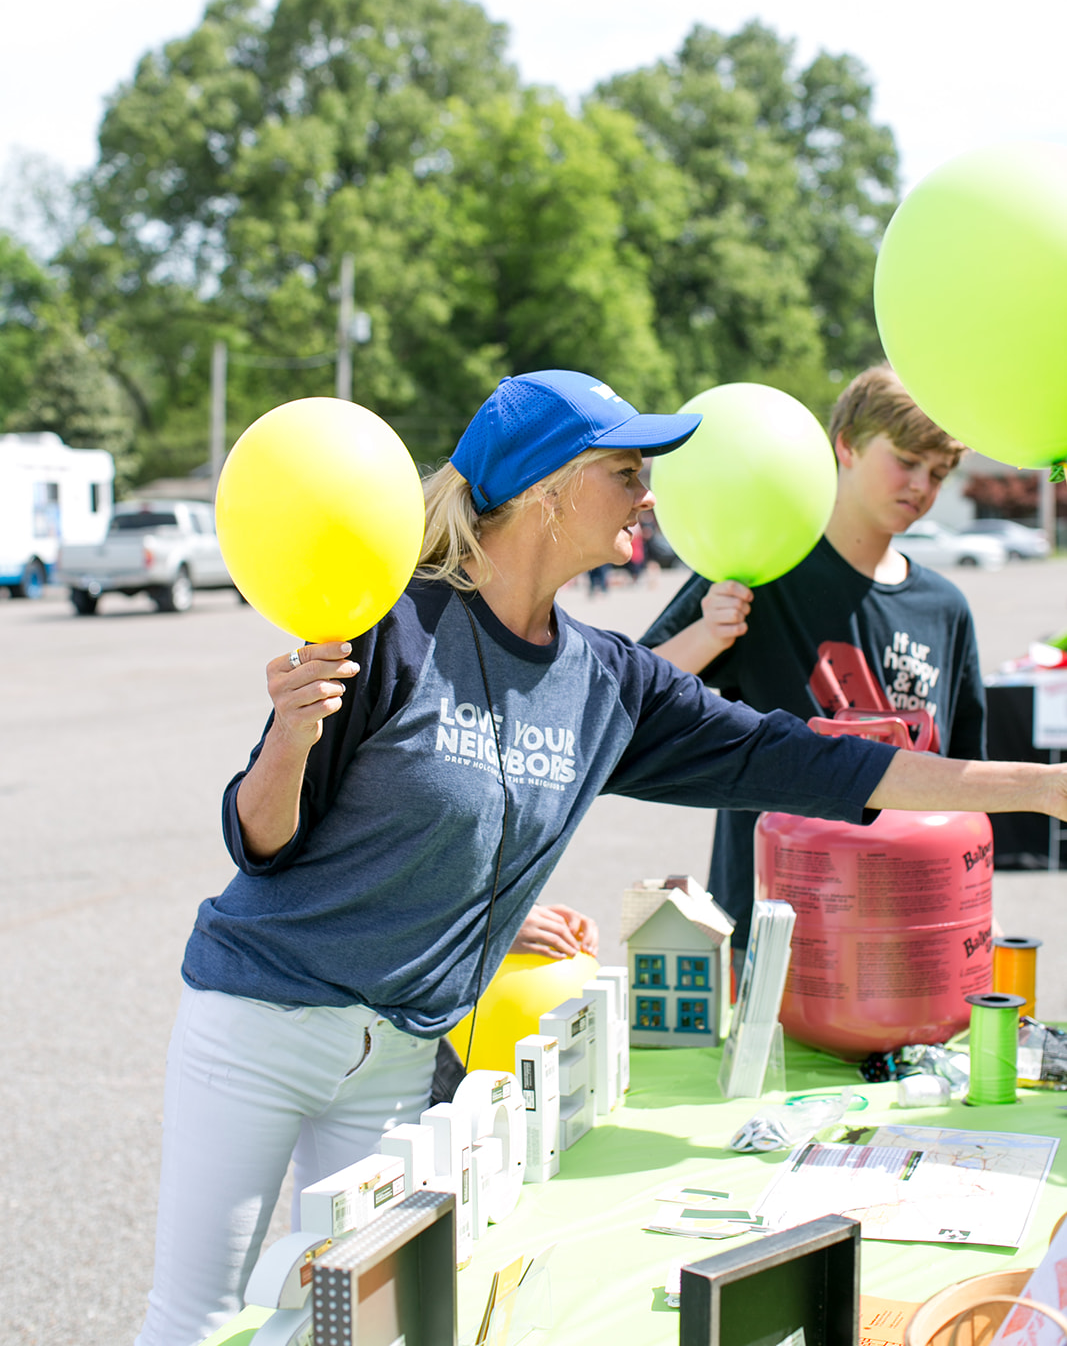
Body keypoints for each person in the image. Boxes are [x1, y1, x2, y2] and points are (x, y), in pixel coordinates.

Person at [137, 367, 1067, 1346]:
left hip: (398, 1060)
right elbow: (261, 839)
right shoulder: (392, 620)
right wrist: (289, 731)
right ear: (546, 489)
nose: (648, 494)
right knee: (197, 1323)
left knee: (348, 1329)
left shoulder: (604, 679)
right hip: (263, 1021)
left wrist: (1041, 787)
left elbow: (815, 762)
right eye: (624, 471)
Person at [641, 363, 985, 964]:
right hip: (776, 924)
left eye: (939, 472)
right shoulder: (766, 566)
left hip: (910, 924)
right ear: (845, 446)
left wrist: (978, 901)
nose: (922, 487)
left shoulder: (946, 607)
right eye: (906, 460)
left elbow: (966, 781)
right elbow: (631, 695)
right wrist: (708, 631)